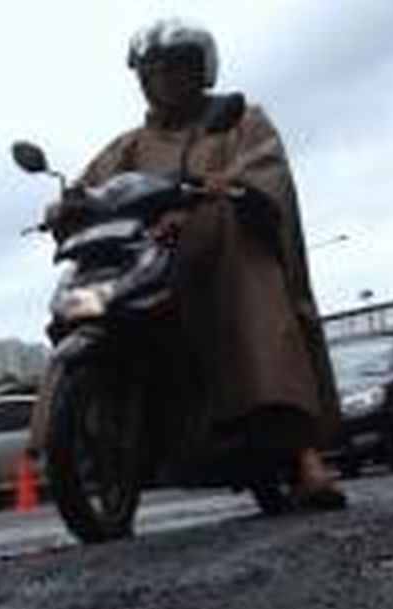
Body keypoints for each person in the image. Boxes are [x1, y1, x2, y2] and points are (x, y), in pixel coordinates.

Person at [49, 18, 344, 508]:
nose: (163, 79)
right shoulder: (129, 145)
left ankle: (304, 455)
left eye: (175, 68)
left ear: (200, 70)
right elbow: (89, 187)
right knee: (83, 295)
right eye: (152, 70)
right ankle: (92, 430)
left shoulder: (240, 119)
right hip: (153, 265)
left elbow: (263, 173)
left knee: (255, 284)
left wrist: (228, 188)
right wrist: (67, 203)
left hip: (219, 262)